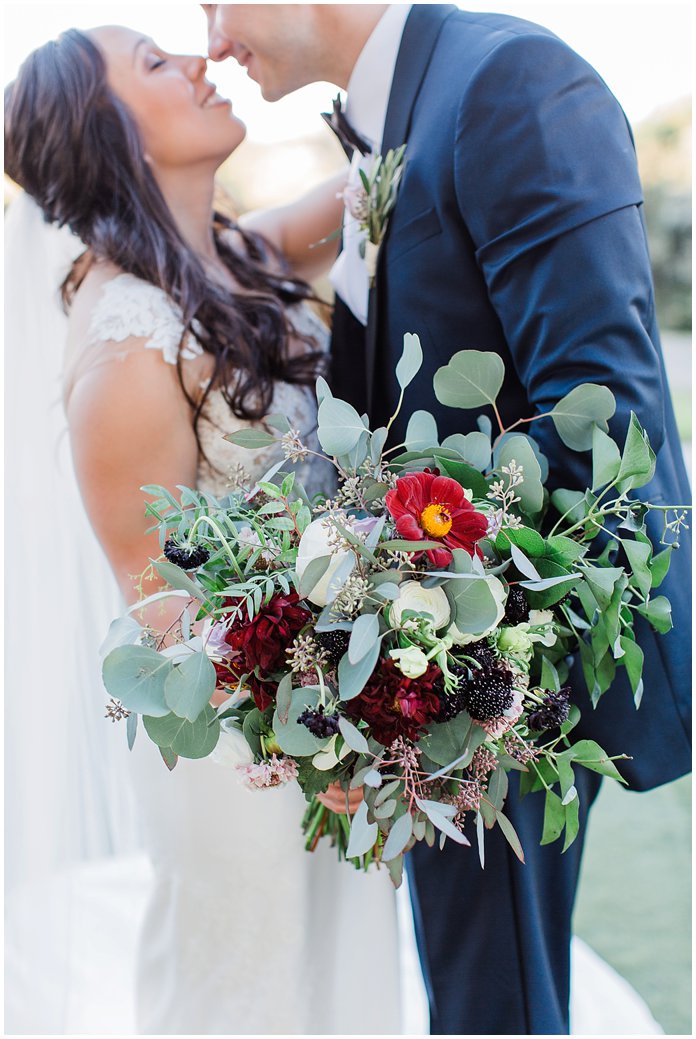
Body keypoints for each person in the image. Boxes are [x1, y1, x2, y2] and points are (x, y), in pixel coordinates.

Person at [204, 4, 692, 1035]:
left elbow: (600, 418)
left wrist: (434, 678)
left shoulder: (509, 84)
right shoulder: (393, 118)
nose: (211, 40)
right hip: (430, 679)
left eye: (212, 2)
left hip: (496, 681)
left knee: (493, 1008)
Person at [4, 26, 401, 1035]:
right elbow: (167, 610)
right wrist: (320, 735)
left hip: (323, 710)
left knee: (338, 980)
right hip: (243, 751)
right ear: (114, 138)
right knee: (252, 994)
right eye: (153, 63)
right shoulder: (125, 346)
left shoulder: (227, 257)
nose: (194, 61)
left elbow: (386, 178)